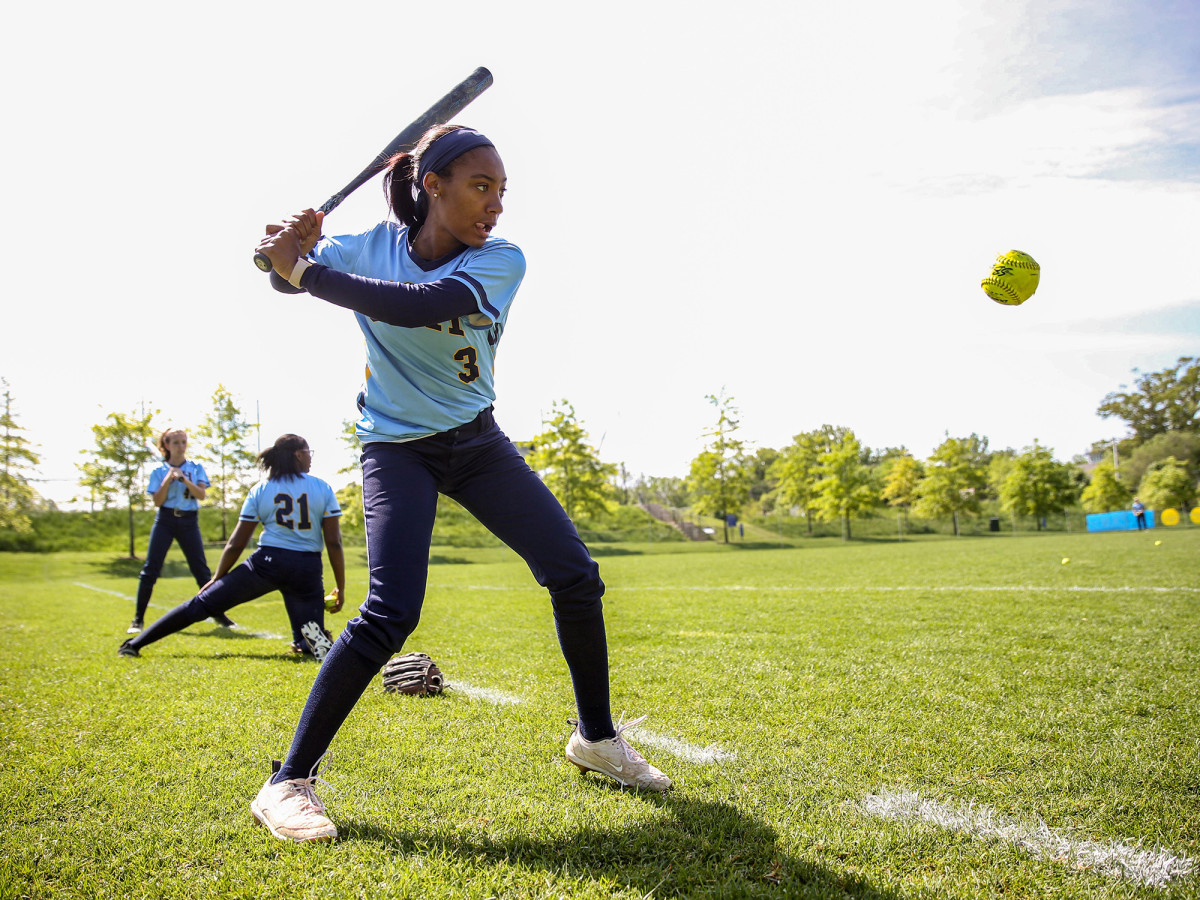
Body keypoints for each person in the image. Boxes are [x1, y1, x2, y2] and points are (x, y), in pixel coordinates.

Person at [248, 124, 669, 843]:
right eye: (482, 186)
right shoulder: (367, 247)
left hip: (477, 443)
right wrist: (291, 248)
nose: (496, 205)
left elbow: (415, 306)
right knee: (391, 611)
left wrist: (303, 268)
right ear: (432, 186)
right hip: (395, 449)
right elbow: (283, 279)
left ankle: (596, 739)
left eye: (503, 190)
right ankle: (287, 782)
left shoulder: (501, 259)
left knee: (574, 575)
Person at [119, 434, 346, 661]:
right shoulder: (322, 487)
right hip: (306, 570)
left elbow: (236, 542)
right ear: (298, 454)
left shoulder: (262, 489)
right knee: (315, 642)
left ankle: (135, 644)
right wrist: (341, 587)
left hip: (267, 565)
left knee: (201, 605)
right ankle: (307, 641)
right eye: (309, 452)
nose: (310, 458)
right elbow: (334, 542)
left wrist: (218, 577)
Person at [130, 428, 235, 634]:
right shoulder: (158, 471)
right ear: (167, 445)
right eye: (176, 442)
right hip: (166, 520)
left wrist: (184, 479)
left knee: (201, 570)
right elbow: (158, 501)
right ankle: (138, 619)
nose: (180, 446)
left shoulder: (195, 468)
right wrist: (168, 480)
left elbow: (201, 495)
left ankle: (217, 613)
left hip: (189, 520)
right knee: (150, 569)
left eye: (183, 442)